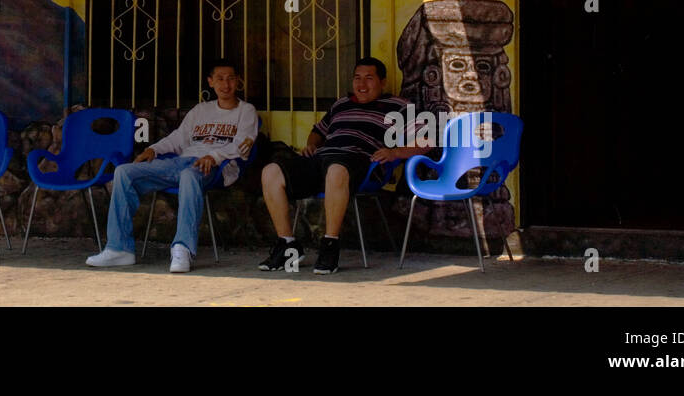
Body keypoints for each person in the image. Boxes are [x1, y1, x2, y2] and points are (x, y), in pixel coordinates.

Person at [258, 57, 430, 275]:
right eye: (357, 78)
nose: (362, 84)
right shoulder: (341, 104)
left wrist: (396, 152)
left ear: (383, 82)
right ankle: (287, 243)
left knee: (336, 169)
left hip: (360, 163)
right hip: (321, 159)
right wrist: (311, 144)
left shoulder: (398, 106)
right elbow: (318, 131)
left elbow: (427, 141)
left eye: (369, 78)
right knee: (271, 171)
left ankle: (330, 244)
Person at [87, 60, 258, 273]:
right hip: (181, 162)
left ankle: (182, 248)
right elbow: (178, 138)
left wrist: (213, 156)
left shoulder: (246, 111)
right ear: (210, 82)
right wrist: (154, 150)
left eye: (231, 78)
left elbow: (242, 145)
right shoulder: (200, 110)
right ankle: (119, 249)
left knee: (189, 174)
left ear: (238, 81)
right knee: (124, 172)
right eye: (220, 79)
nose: (226, 84)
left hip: (216, 167)